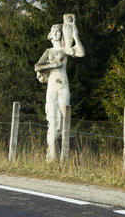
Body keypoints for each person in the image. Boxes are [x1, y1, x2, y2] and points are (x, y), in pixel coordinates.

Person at [35, 16, 84, 161]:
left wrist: (75, 35)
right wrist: (54, 65)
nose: (57, 33)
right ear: (50, 35)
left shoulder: (64, 49)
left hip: (63, 86)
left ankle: (64, 156)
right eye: (54, 31)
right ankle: (51, 156)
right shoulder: (49, 51)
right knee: (52, 118)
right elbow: (37, 66)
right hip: (52, 86)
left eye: (59, 31)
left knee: (64, 118)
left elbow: (81, 52)